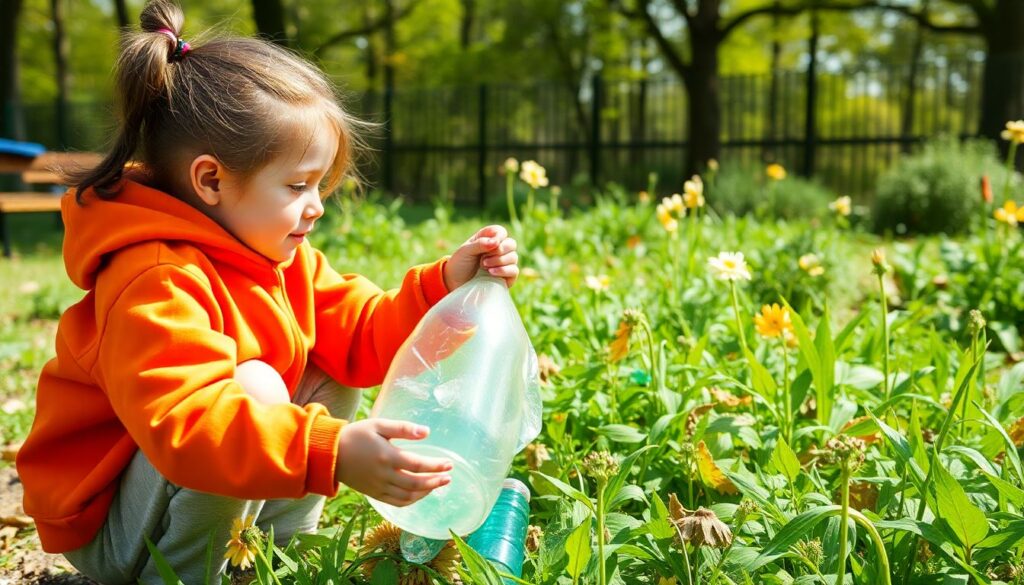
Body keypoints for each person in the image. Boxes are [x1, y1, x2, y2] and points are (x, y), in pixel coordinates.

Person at [15, 1, 519, 582]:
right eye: (298, 185)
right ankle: (184, 574)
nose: (317, 206)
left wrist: (444, 287)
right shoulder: (154, 277)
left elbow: (359, 335)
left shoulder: (276, 255)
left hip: (182, 485)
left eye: (321, 184)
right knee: (253, 384)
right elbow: (188, 424)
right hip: (112, 527)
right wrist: (330, 451)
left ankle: (276, 555)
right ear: (211, 180)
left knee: (330, 369)